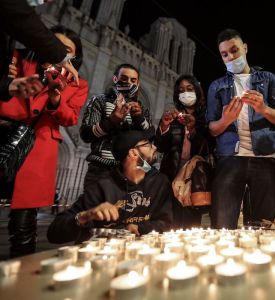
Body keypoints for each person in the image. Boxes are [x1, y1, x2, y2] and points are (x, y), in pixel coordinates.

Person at [0, 25, 88, 258]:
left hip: (40, 142)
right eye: (54, 43)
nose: (59, 51)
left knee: (24, 217)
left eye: (67, 49)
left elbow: (71, 117)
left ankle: (21, 265)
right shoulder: (17, 58)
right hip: (5, 132)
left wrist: (55, 100)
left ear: (75, 55)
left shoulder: (78, 83)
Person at [206, 28, 275, 229]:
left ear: (245, 48)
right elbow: (212, 129)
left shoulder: (268, 78)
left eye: (234, 50)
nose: (230, 57)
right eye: (224, 54)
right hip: (230, 158)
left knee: (265, 224)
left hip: (265, 157)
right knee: (223, 224)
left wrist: (263, 108)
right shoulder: (216, 86)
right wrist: (226, 120)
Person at [47, 130, 172, 244]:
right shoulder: (102, 185)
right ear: (134, 153)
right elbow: (53, 233)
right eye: (147, 144)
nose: (154, 147)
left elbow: (166, 223)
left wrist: (139, 227)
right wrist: (85, 216)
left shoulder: (160, 182)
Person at [80, 63, 153, 189]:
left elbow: (150, 137)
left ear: (138, 83)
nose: (128, 83)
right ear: (115, 79)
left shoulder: (141, 109)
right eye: (124, 78)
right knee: (96, 208)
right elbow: (86, 134)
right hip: (101, 171)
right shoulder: (100, 101)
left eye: (133, 80)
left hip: (130, 173)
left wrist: (139, 118)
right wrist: (111, 121)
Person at [155, 74, 213, 228]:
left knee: (190, 224)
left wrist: (193, 129)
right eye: (181, 90)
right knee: (168, 223)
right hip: (171, 176)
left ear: (197, 92)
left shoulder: (206, 118)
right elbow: (160, 146)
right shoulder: (173, 116)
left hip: (193, 180)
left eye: (189, 89)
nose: (185, 93)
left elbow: (209, 146)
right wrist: (164, 126)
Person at [0, 0, 79, 100]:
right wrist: (61, 56)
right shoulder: (17, 58)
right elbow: (21, 18)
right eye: (56, 43)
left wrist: (7, 87)